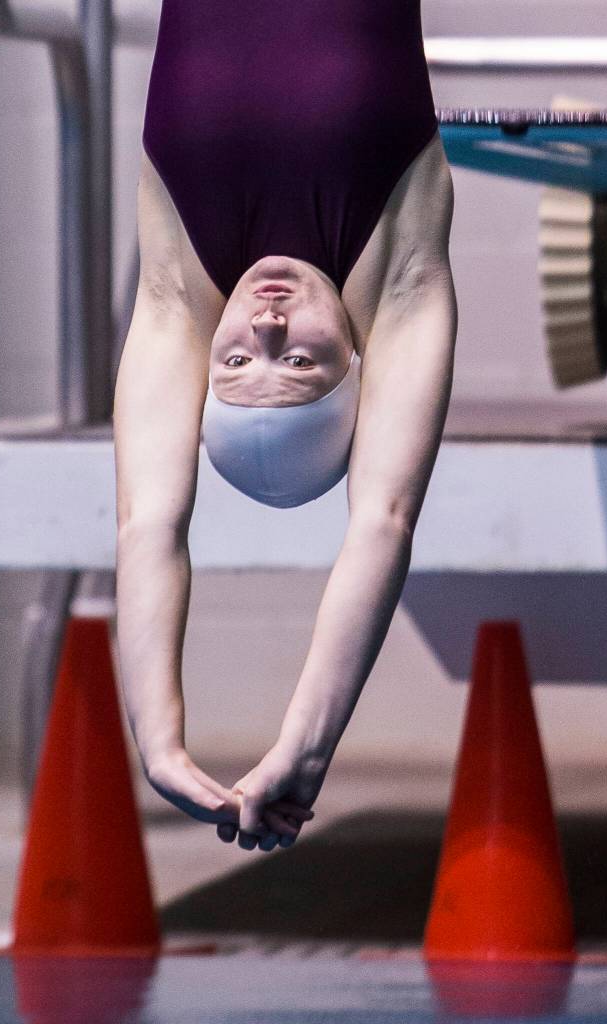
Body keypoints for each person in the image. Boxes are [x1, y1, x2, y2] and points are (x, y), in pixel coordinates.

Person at [113, 0, 457, 853]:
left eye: (234, 362)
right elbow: (382, 520)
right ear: (356, 370)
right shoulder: (396, 278)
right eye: (299, 361)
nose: (264, 326)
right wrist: (307, 743)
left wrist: (158, 742)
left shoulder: (179, 292)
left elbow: (149, 522)